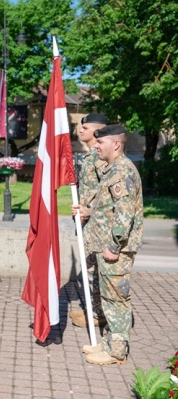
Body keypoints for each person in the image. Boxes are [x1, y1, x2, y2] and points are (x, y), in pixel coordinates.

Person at [73, 125, 143, 365]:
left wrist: (114, 247)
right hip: (107, 246)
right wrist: (88, 210)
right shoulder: (113, 170)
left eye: (100, 142)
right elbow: (109, 208)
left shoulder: (122, 171)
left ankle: (116, 352)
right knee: (109, 297)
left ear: (116, 144)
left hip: (115, 250)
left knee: (116, 299)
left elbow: (125, 214)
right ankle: (110, 343)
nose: (96, 145)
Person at [69, 112, 109, 329]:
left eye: (83, 128)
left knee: (96, 271)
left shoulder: (101, 157)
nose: (79, 131)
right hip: (88, 222)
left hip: (98, 224)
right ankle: (95, 312)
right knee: (91, 269)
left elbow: (108, 193)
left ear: (95, 130)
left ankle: (99, 314)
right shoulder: (90, 156)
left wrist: (90, 210)